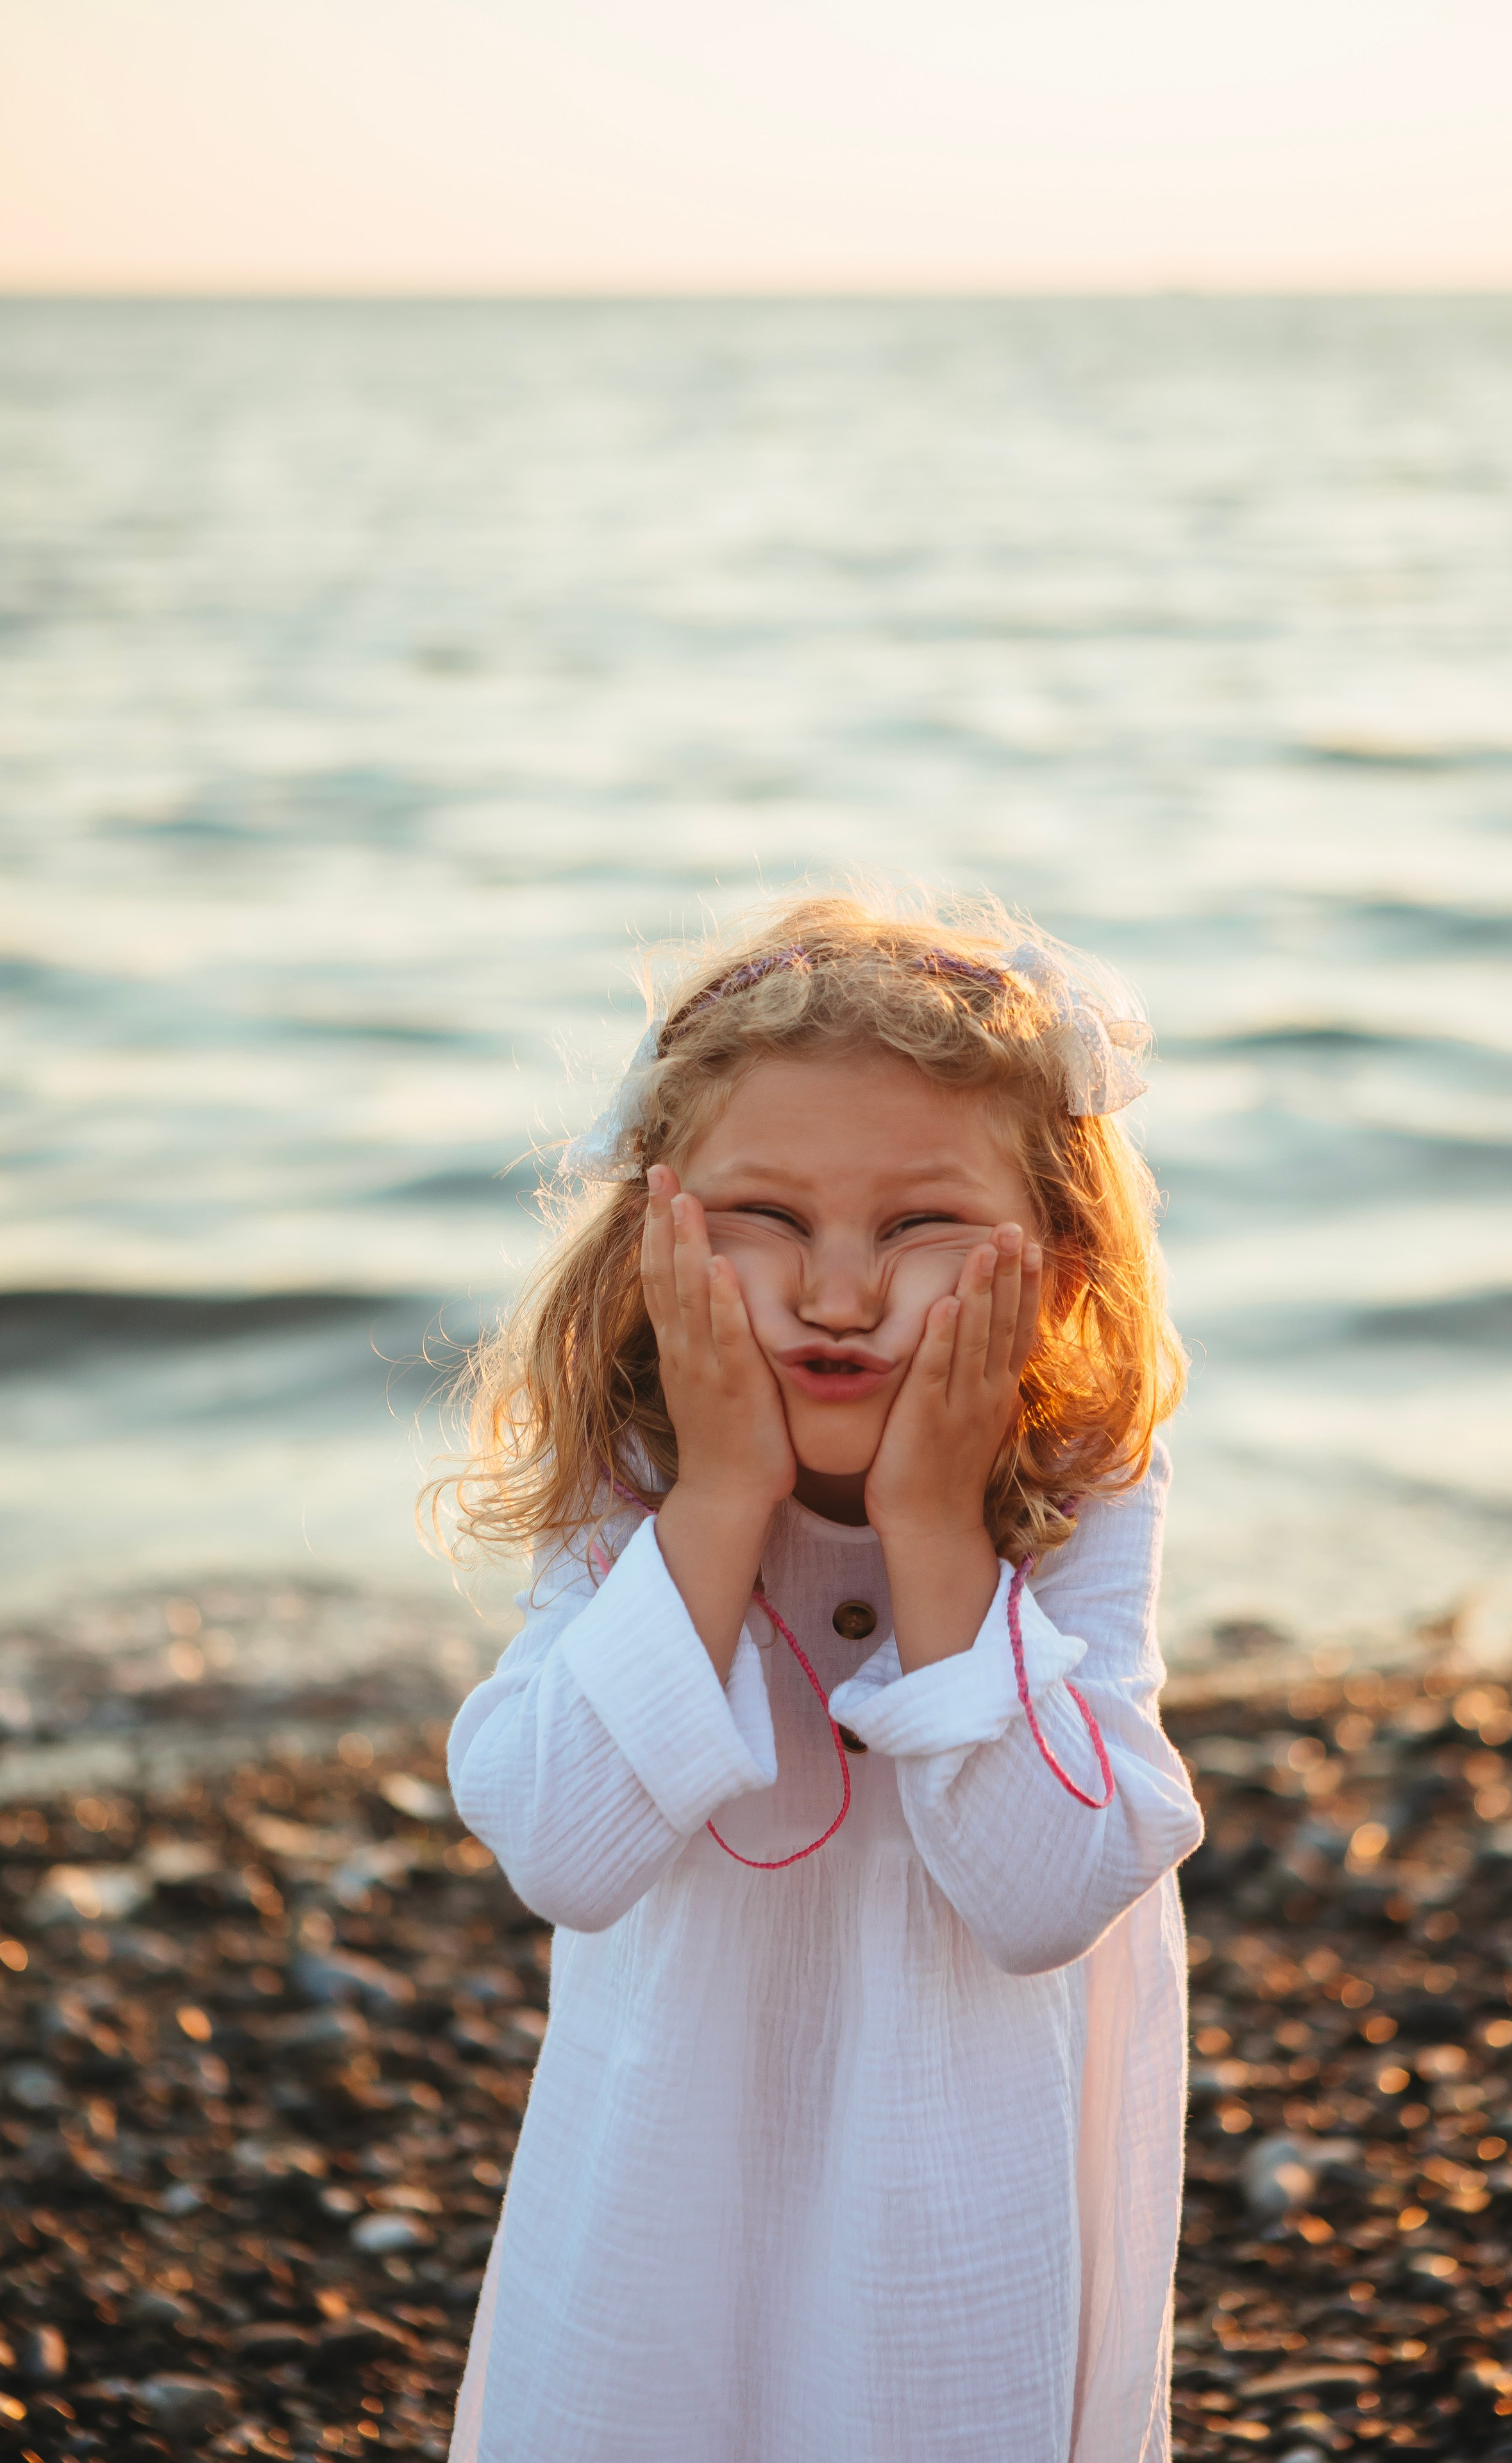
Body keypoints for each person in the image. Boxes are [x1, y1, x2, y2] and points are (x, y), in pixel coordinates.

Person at [436, 893, 1204, 2463]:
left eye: (921, 1228)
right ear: (653, 1232)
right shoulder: (638, 1462)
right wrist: (719, 1505)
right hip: (671, 2140)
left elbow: (1048, 1890)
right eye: (762, 1221)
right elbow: (567, 1852)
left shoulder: (1078, 1476)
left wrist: (930, 1528)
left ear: (1053, 1267)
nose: (838, 1293)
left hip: (966, 2149)